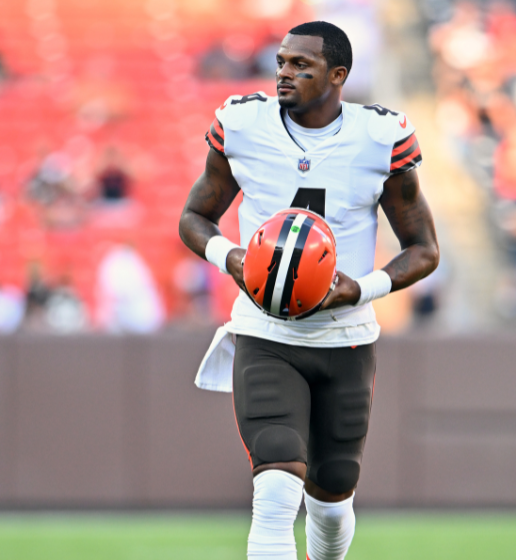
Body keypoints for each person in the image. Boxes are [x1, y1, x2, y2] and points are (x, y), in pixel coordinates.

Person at [178, 22, 439, 560]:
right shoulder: (244, 124)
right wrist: (230, 257)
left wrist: (358, 290)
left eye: (303, 65)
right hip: (265, 330)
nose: (285, 74)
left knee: (331, 497)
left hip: (344, 337)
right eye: (282, 62)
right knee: (275, 485)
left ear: (338, 75)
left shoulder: (378, 138)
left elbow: (424, 249)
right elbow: (194, 217)